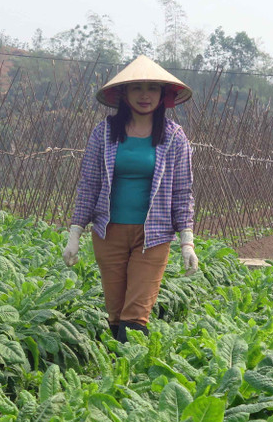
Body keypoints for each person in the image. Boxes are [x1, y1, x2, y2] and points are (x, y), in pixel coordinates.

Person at [63, 55, 199, 343]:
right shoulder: (104, 132)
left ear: (163, 94)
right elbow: (89, 184)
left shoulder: (174, 137)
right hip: (108, 232)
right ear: (124, 94)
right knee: (115, 312)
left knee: (135, 313)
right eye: (137, 88)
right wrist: (75, 233)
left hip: (153, 236)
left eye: (152, 88)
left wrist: (187, 241)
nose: (145, 95)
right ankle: (115, 373)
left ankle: (130, 375)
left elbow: (182, 191)